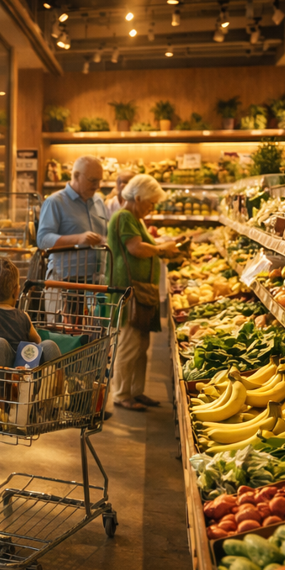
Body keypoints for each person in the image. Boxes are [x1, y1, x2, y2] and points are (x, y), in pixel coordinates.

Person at [109, 174, 179, 412]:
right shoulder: (124, 216)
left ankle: (136, 391)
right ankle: (121, 394)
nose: (152, 208)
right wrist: (161, 249)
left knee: (141, 346)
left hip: (141, 292)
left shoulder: (135, 219)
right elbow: (136, 248)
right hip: (128, 292)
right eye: (150, 203)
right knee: (129, 345)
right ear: (137, 198)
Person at [0, 257, 62, 368]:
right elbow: (37, 341)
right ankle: (55, 382)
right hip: (12, 372)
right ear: (16, 291)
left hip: (5, 371)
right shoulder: (24, 317)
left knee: (48, 345)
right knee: (48, 346)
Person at [37, 154, 108, 282]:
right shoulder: (55, 202)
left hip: (97, 282)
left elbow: (105, 234)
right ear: (76, 176)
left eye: (99, 180)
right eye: (92, 180)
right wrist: (78, 239)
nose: (97, 186)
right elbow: (43, 240)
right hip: (65, 282)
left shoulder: (99, 201)